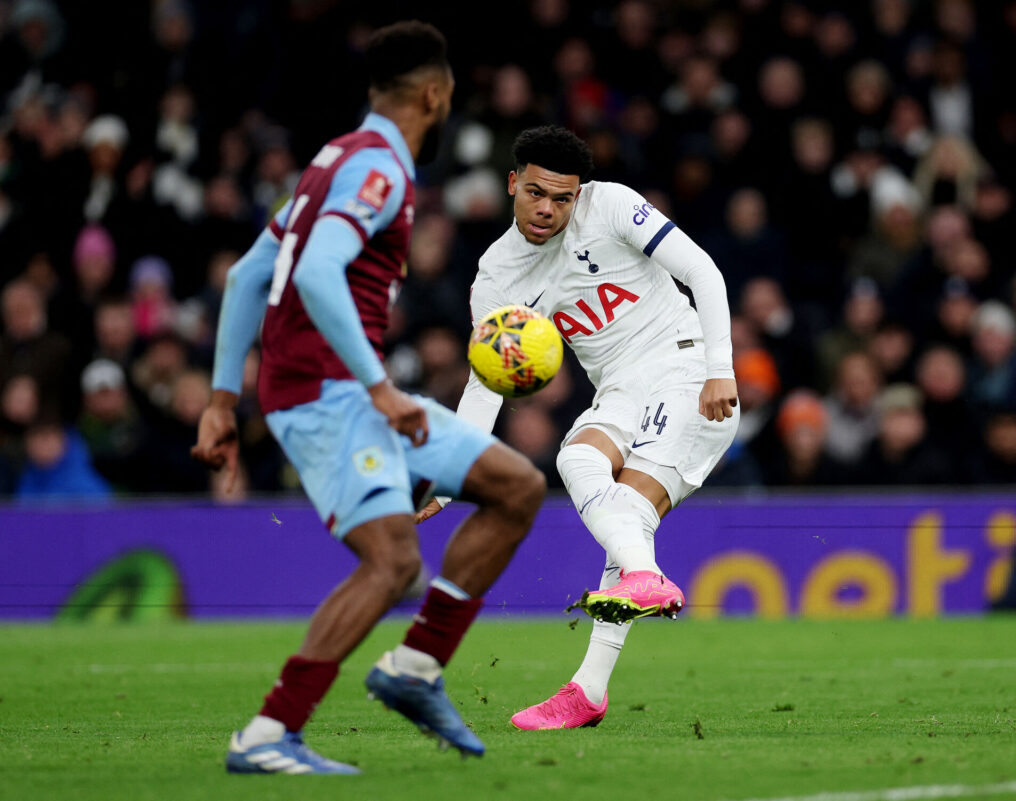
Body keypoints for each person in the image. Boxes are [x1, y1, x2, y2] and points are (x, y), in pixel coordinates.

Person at [191, 22, 545, 775]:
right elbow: (317, 273)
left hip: (340, 388)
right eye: (449, 96)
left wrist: (224, 398)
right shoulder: (380, 166)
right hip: (328, 395)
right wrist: (382, 388)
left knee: (516, 486)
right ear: (434, 94)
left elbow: (248, 274)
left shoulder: (332, 161)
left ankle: (415, 667)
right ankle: (267, 733)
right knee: (390, 564)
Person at [418, 125, 739, 729]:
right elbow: (486, 380)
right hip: (620, 389)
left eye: (562, 199)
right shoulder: (496, 278)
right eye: (536, 192)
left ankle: (602, 660)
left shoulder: (612, 204)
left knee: (629, 522)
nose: (547, 209)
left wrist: (720, 368)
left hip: (688, 368)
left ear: (579, 195)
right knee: (577, 464)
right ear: (512, 183)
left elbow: (706, 274)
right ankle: (593, 682)